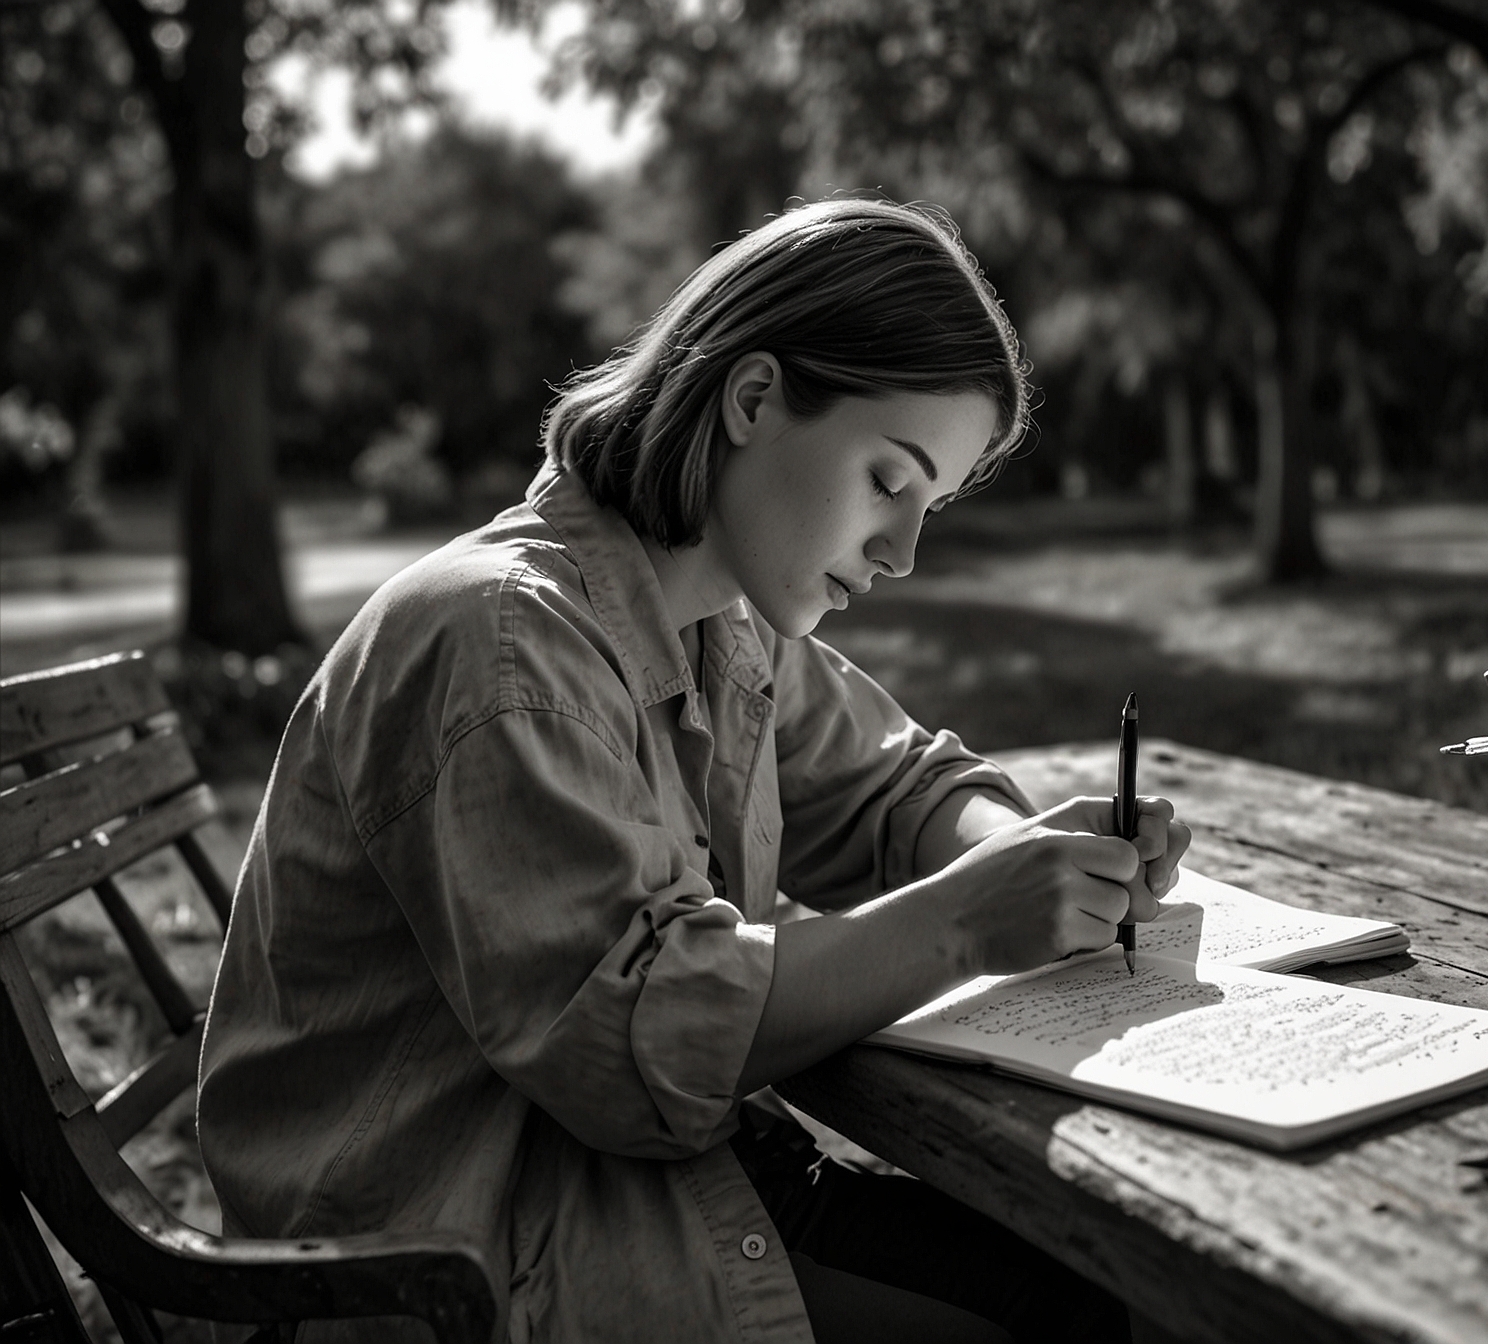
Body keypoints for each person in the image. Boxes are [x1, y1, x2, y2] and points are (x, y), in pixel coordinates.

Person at [197, 198, 1191, 1343]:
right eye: (886, 479)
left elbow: (892, 786)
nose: (904, 553)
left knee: (1124, 1286)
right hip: (466, 1262)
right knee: (1107, 1316)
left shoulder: (727, 622)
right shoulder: (500, 644)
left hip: (648, 1197)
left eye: (932, 506)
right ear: (754, 399)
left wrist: (1025, 858)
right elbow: (642, 1044)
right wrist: (966, 924)